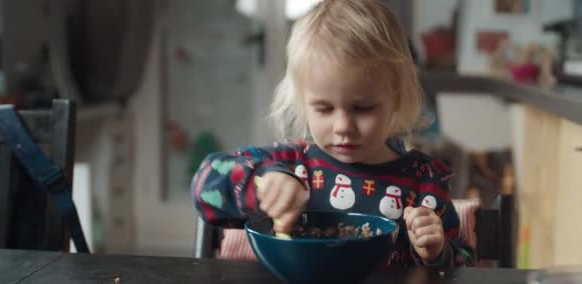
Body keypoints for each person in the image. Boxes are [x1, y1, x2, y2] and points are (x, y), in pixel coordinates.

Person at [192, 0, 474, 267]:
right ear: (304, 104)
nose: (342, 127)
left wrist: (437, 251)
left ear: (396, 98)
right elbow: (206, 184)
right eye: (324, 109)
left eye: (362, 108)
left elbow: (464, 264)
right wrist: (261, 183)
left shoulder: (423, 183)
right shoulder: (292, 165)